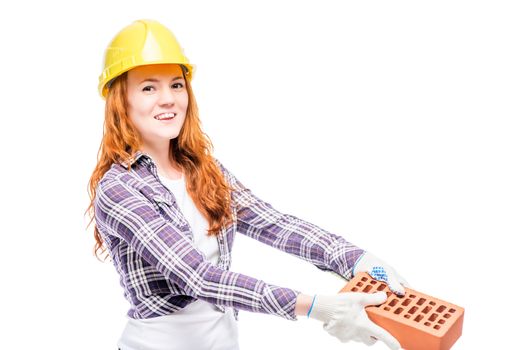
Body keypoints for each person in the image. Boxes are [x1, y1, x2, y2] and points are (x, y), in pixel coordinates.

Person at [85, 19, 410, 350]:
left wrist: (356, 259)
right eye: (148, 88)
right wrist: (315, 307)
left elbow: (274, 224)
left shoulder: (205, 171)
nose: (168, 99)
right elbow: (197, 277)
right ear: (120, 102)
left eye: (176, 84)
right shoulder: (119, 189)